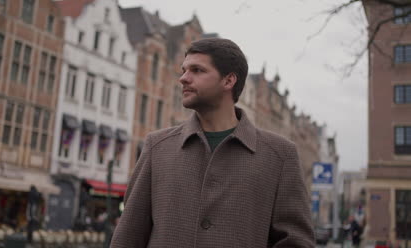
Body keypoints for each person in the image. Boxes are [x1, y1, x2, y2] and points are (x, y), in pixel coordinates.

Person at [110, 38, 314, 247]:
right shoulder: (158, 147)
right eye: (184, 70)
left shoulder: (279, 155)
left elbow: (296, 241)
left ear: (228, 81)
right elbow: (128, 236)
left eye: (197, 70)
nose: (183, 78)